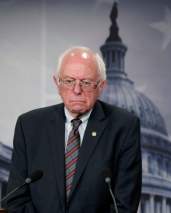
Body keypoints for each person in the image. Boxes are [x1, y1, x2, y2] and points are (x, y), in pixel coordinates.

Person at [5, 46, 142, 213]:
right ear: (57, 83)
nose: (77, 90)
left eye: (86, 82)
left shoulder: (124, 127)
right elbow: (16, 200)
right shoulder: (29, 125)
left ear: (101, 86)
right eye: (69, 81)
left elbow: (124, 205)